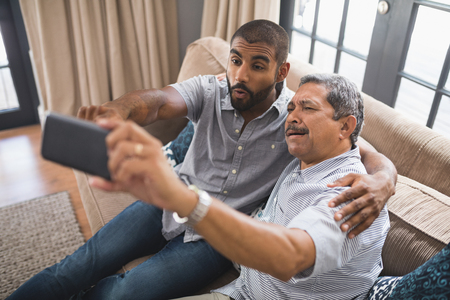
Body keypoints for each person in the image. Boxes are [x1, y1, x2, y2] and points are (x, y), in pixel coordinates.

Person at [7, 20, 396, 300]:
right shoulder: (214, 90)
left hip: (216, 237)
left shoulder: (296, 123)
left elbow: (357, 149)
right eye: (234, 60)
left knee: (127, 292)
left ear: (281, 71)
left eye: (256, 65)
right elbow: (157, 102)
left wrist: (384, 178)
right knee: (76, 266)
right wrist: (118, 111)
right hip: (166, 200)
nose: (239, 75)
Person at [90, 73, 390, 299]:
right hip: (241, 290)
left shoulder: (355, 196)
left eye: (307, 108)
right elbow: (362, 149)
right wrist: (387, 173)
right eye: (291, 108)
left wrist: (180, 195)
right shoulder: (310, 153)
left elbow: (289, 256)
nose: (292, 117)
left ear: (345, 126)